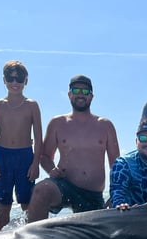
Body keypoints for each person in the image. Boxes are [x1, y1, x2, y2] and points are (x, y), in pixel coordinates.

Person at [26, 75, 120, 222]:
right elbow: (44, 156)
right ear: (69, 94)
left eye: (85, 91)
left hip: (92, 194)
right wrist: (51, 169)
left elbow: (116, 166)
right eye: (76, 90)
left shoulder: (105, 125)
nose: (81, 94)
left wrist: (116, 195)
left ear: (91, 96)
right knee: (41, 189)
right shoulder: (57, 123)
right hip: (64, 186)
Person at [0, 60, 43, 229]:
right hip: (2, 156)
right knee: (4, 205)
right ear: (4, 80)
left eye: (19, 79)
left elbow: (38, 137)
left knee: (27, 205)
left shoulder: (31, 105)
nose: (14, 83)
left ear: (25, 81)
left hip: (25, 156)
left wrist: (35, 163)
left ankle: (29, 237)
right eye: (10, 79)